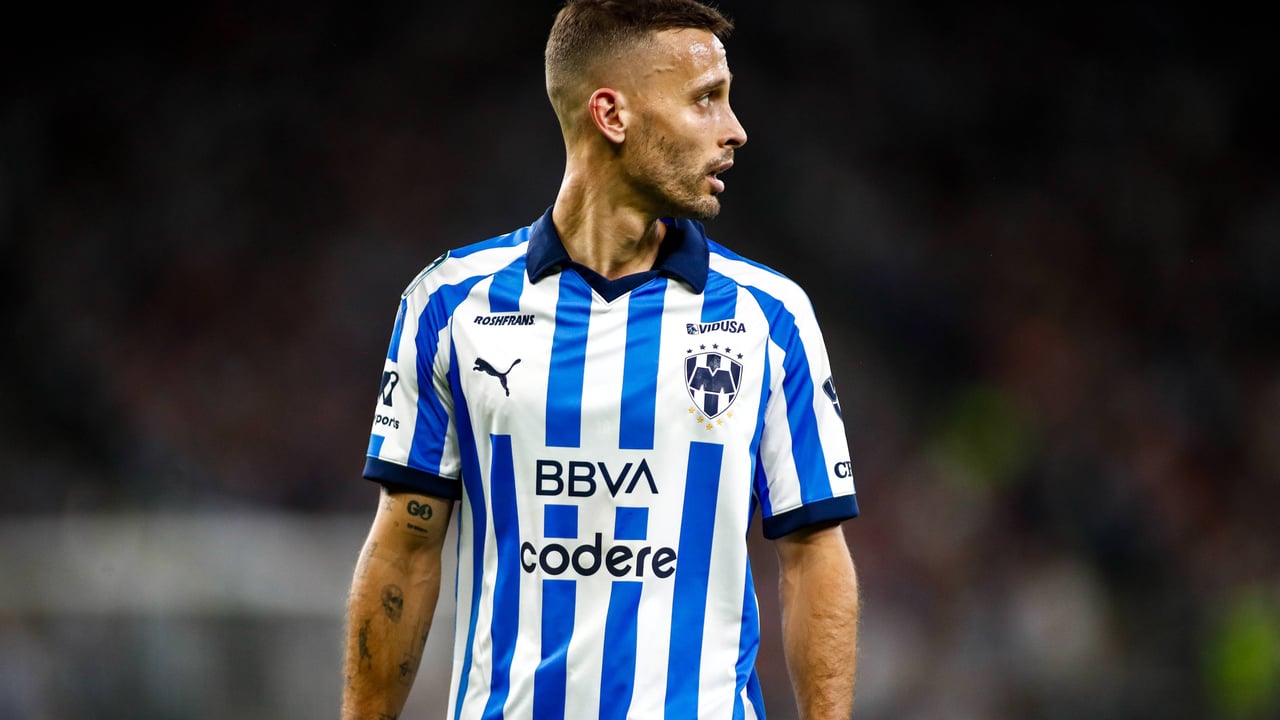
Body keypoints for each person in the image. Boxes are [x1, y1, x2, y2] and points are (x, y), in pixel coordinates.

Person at [342, 1, 860, 718]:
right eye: (706, 99)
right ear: (611, 115)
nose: (735, 129)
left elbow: (813, 551)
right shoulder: (450, 304)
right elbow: (405, 548)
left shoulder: (768, 317)